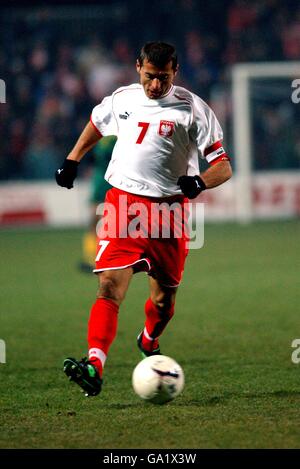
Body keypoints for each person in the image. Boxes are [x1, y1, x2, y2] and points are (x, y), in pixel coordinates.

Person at [55, 42, 232, 397]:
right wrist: (73, 158)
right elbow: (96, 123)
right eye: (150, 76)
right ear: (138, 67)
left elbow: (223, 166)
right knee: (109, 286)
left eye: (163, 78)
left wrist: (199, 182)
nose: (155, 85)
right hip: (124, 204)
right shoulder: (122, 99)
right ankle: (95, 365)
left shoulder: (193, 109)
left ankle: (149, 338)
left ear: (175, 72)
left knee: (164, 301)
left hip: (170, 213)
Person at [79, 136, 116, 272]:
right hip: (100, 181)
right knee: (95, 223)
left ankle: (102, 260)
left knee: (103, 225)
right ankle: (91, 259)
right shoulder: (103, 137)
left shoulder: (115, 137)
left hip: (110, 182)